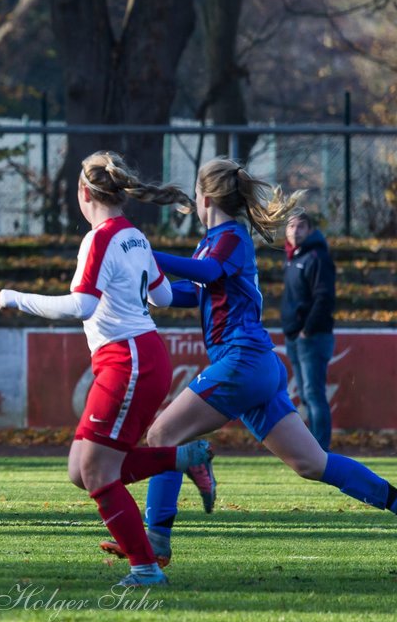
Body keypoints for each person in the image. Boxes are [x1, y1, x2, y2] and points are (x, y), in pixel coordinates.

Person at [106, 158, 397, 567]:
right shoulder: (212, 242)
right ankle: (395, 500)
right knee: (312, 463)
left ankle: (155, 539)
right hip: (258, 365)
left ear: (204, 197)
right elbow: (192, 292)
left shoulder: (230, 236)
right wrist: (145, 287)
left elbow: (206, 273)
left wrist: (147, 252)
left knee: (163, 434)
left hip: (243, 360)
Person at [0, 151, 215, 588]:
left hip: (127, 360)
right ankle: (182, 457)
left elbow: (83, 305)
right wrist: (215, 290)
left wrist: (16, 297)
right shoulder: (134, 236)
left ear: (83, 193)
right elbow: (164, 298)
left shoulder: (99, 239)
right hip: (143, 355)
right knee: (82, 469)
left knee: (96, 472)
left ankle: (146, 569)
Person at [281, 211, 336, 451]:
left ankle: (320, 450)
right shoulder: (293, 257)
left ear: (310, 230)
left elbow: (324, 297)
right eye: (291, 226)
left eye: (301, 226)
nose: (295, 230)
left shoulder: (317, 257)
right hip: (295, 337)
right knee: (305, 394)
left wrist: (307, 329)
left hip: (312, 337)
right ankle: (314, 448)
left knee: (314, 395)